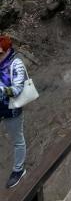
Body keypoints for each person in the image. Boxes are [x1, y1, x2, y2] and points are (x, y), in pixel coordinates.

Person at [0, 36, 27, 189]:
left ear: (8, 50)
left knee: (17, 139)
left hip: (11, 108)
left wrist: (1, 89)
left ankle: (19, 170)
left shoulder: (16, 64)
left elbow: (17, 89)